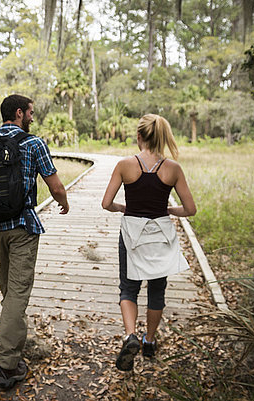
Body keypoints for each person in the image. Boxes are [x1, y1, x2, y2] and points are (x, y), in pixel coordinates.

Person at [0, 94, 70, 390]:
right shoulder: (33, 143)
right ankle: (7, 367)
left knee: (8, 287)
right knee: (17, 292)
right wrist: (64, 202)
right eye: (30, 113)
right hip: (22, 226)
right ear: (19, 113)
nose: (32, 117)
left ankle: (14, 343)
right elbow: (55, 185)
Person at [101, 113, 196, 371]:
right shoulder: (173, 168)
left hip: (133, 232)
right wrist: (168, 210)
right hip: (160, 234)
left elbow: (106, 203)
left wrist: (123, 207)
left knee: (128, 288)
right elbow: (190, 209)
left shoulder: (124, 165)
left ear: (139, 136)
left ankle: (130, 335)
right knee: (157, 289)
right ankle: (149, 341)